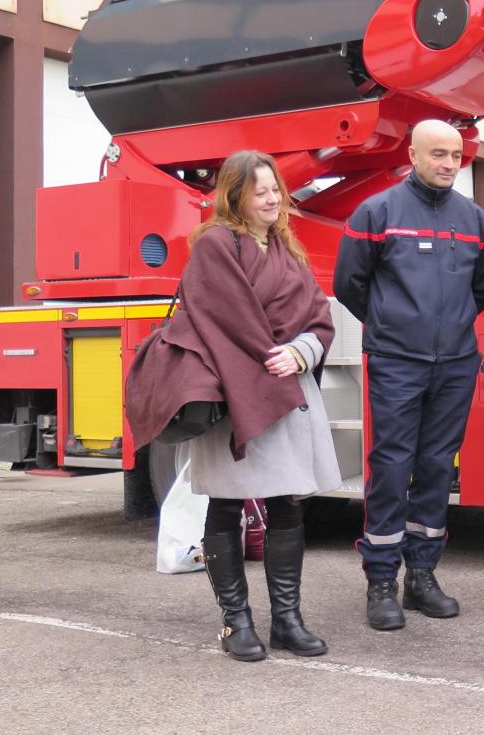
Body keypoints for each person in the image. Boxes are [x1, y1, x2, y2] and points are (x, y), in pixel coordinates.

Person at [127, 150, 339, 662]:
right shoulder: (217, 245)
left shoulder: (288, 249)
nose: (272, 199)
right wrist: (273, 356)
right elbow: (226, 322)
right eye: (260, 190)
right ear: (235, 195)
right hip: (233, 392)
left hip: (287, 391)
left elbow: (318, 318)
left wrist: (300, 352)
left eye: (276, 190)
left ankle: (287, 620)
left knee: (287, 503)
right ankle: (235, 624)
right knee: (225, 504)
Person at [334, 120, 484, 631]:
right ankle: (381, 579)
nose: (449, 163)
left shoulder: (473, 219)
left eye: (456, 155)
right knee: (391, 467)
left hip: (454, 363)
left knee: (435, 468)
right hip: (396, 362)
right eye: (438, 154)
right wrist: (393, 325)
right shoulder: (376, 213)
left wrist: (447, 329)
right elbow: (349, 284)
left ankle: (422, 575)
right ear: (412, 154)